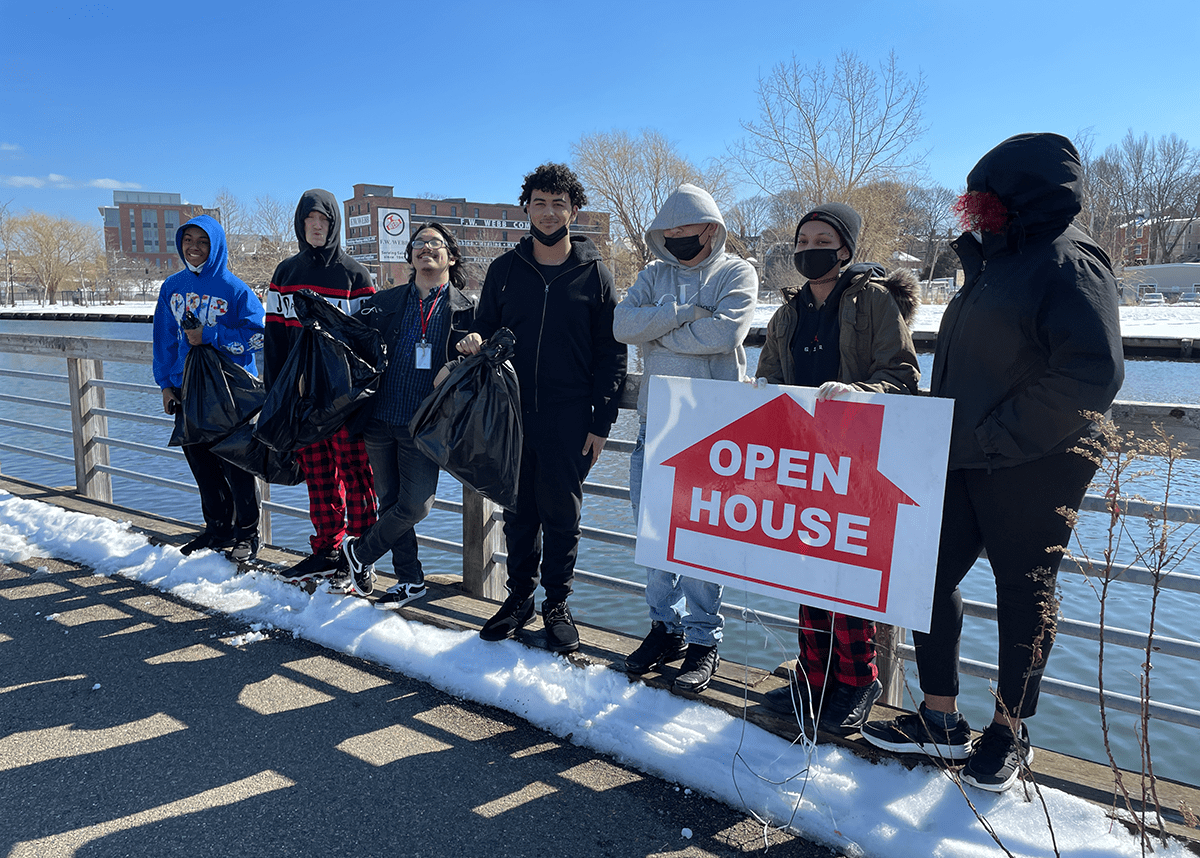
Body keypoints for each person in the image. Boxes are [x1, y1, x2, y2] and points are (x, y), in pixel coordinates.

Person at [861, 133, 1124, 792]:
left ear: (1025, 196)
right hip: (960, 454)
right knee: (926, 575)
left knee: (1023, 592)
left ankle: (1010, 730)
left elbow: (1093, 372)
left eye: (986, 197)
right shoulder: (994, 262)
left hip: (1036, 462)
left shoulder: (1069, 264)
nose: (973, 209)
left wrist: (995, 436)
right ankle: (941, 719)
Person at [754, 202, 920, 734]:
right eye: (802, 242)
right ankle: (813, 675)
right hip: (802, 458)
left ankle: (857, 679)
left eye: (821, 240)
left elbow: (903, 374)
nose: (809, 250)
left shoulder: (873, 301)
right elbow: (771, 377)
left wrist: (859, 394)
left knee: (847, 573)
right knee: (807, 567)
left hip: (857, 455)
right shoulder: (788, 311)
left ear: (844, 249)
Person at [458, 163, 627, 654]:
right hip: (510, 414)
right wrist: (471, 339)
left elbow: (611, 355)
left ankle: (557, 604)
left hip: (570, 415)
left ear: (574, 210)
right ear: (526, 208)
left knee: (562, 515)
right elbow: (484, 328)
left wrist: (601, 421)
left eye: (559, 203)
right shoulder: (506, 270)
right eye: (539, 202)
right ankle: (518, 600)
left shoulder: (595, 275)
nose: (549, 212)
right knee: (517, 512)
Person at [613, 183, 758, 695]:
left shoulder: (738, 272)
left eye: (685, 230)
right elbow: (620, 324)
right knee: (655, 539)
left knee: (701, 542)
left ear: (711, 228)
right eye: (667, 232)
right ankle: (664, 629)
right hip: (656, 425)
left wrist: (655, 332)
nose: (675, 239)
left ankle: (703, 640)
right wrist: (679, 314)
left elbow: (725, 334)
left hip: (712, 430)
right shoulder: (653, 275)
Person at [332, 223, 476, 602]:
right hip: (379, 419)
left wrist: (460, 360)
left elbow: (485, 361)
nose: (426, 248)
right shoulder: (386, 302)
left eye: (435, 243)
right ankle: (410, 579)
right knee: (391, 502)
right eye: (418, 244)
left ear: (451, 255)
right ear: (410, 255)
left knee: (416, 504)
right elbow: (351, 346)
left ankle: (358, 552)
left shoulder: (466, 312)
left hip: (424, 426)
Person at [264, 189, 378, 584]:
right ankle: (327, 547)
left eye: (324, 220)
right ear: (300, 223)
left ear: (334, 225)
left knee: (356, 474)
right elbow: (274, 338)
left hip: (343, 398)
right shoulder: (285, 275)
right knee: (319, 476)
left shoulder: (355, 276)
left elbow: (368, 342)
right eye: (310, 219)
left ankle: (362, 554)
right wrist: (274, 393)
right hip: (302, 397)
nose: (317, 226)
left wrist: (366, 399)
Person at [153, 215, 265, 563]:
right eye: (189, 241)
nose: (195, 248)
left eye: (203, 242)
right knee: (202, 465)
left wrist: (211, 336)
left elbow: (258, 336)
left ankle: (247, 534)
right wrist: (166, 384)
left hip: (229, 395)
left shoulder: (236, 290)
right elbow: (163, 339)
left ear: (215, 246)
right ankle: (218, 530)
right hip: (187, 390)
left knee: (236, 466)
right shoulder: (172, 287)